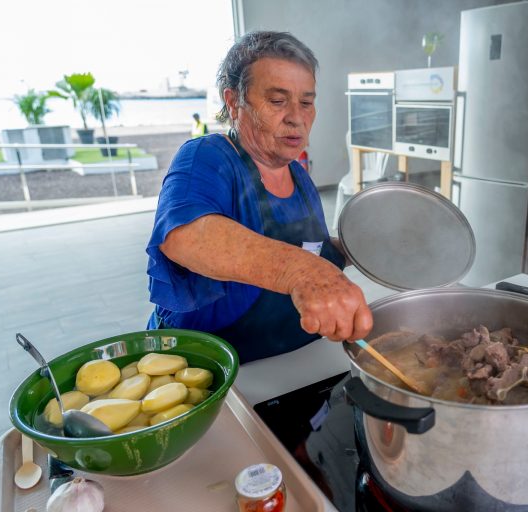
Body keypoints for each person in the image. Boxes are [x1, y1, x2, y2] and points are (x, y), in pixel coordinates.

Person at [146, 31, 373, 363]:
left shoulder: (299, 178)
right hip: (209, 371)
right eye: (278, 101)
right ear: (234, 102)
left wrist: (360, 248)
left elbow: (310, 248)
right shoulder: (208, 156)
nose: (297, 117)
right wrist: (303, 272)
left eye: (307, 102)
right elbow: (184, 236)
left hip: (289, 365)